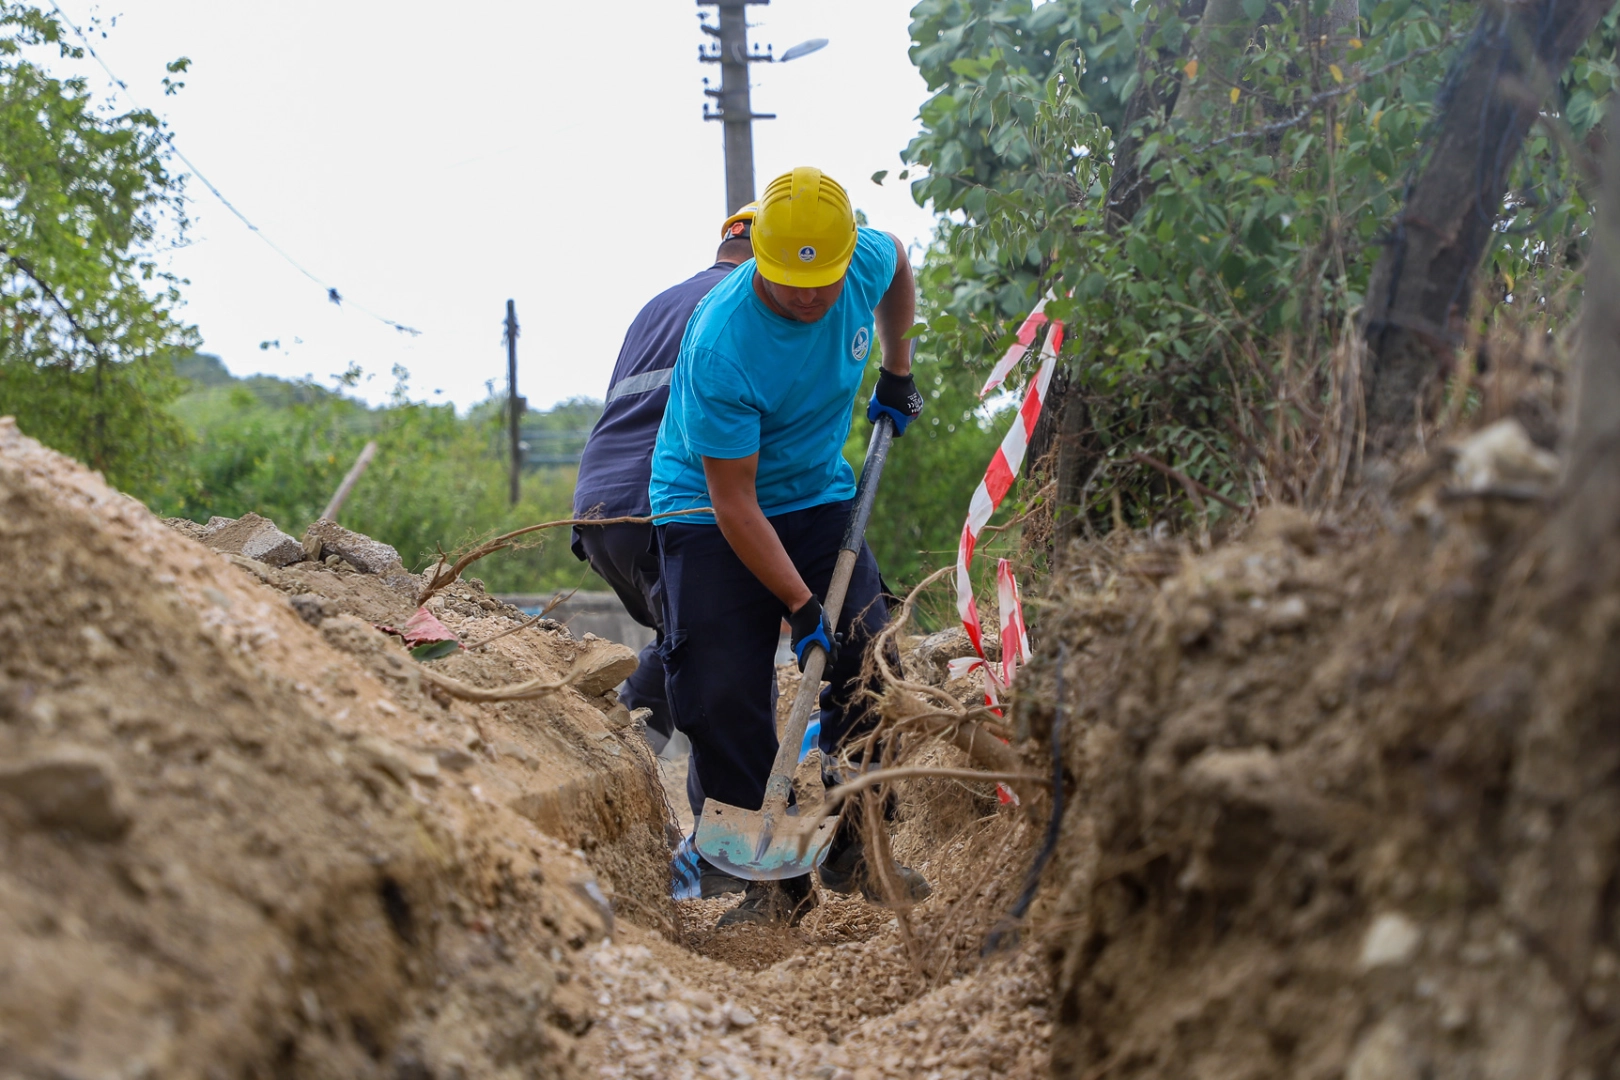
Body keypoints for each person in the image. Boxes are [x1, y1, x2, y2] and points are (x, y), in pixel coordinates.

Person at [649, 166, 928, 928]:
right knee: (717, 688)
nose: (808, 296)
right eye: (787, 281)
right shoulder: (722, 341)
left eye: (823, 281)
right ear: (760, 259)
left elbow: (898, 259)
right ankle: (771, 888)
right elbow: (735, 505)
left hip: (815, 493)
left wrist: (896, 370)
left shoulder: (863, 259)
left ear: (842, 257)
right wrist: (801, 605)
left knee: (872, 661)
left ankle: (856, 840)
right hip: (708, 511)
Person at [572, 205, 757, 902]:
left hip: (598, 508)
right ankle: (715, 856)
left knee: (689, 640)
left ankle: (619, 756)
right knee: (720, 660)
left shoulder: (660, 302)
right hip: (664, 500)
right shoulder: (745, 306)